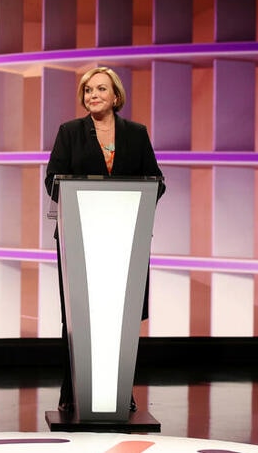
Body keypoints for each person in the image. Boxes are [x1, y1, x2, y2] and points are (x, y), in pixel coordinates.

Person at [44, 66, 166, 413]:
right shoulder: (69, 132)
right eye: (87, 90)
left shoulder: (136, 134)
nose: (93, 95)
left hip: (125, 238)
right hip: (80, 239)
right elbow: (53, 180)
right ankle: (75, 393)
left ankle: (118, 393)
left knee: (121, 318)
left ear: (116, 97)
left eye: (100, 89)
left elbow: (157, 181)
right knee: (79, 317)